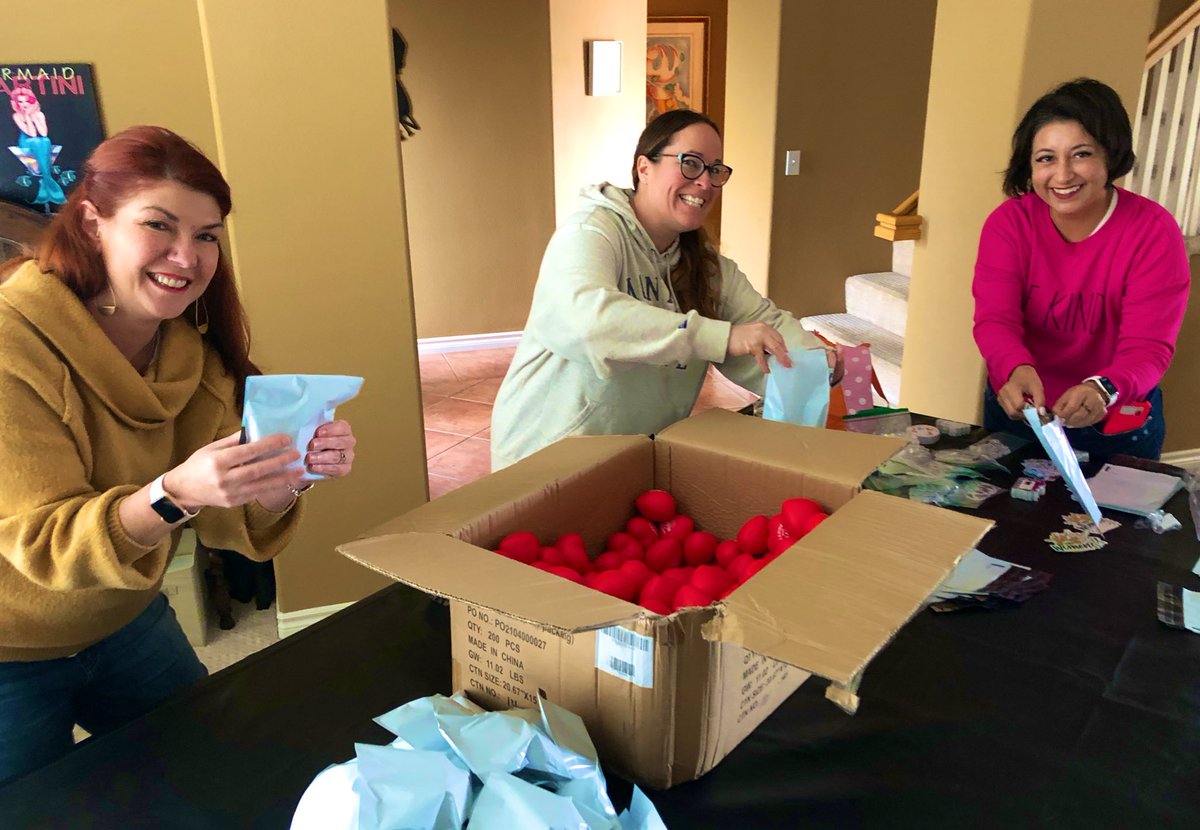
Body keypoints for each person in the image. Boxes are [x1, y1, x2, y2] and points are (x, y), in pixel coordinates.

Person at [0, 125, 358, 784]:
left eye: (206, 236)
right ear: (91, 221)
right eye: (158, 225)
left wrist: (288, 475)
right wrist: (180, 491)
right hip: (10, 645)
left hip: (125, 617)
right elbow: (44, 543)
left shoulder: (190, 356)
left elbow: (231, 526)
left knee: (211, 766)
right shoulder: (12, 344)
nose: (185, 256)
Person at [492, 110, 839, 470]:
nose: (705, 182)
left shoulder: (706, 267)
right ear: (644, 168)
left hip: (628, 458)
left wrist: (816, 360)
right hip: (543, 456)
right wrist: (719, 336)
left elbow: (762, 322)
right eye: (690, 163)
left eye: (715, 169)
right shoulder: (589, 233)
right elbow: (588, 323)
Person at [973, 78, 1191, 461]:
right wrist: (1012, 366)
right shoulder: (1009, 223)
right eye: (1046, 158)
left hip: (1114, 421)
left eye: (1081, 154)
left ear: (1111, 156)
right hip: (1021, 413)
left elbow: (1148, 347)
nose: (1062, 175)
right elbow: (995, 319)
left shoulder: (1153, 231)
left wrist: (1102, 388)